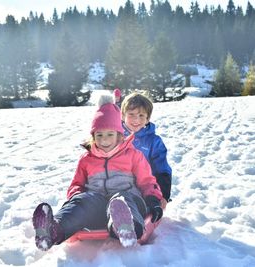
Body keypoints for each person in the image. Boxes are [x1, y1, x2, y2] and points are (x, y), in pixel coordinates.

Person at [32, 95, 163, 251]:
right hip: (97, 204)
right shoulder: (86, 159)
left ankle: (125, 227)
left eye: (110, 134)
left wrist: (154, 200)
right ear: (93, 137)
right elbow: (77, 184)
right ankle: (53, 230)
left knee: (122, 199)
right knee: (84, 201)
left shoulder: (133, 155)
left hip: (129, 200)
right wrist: (78, 199)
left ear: (120, 136)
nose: (105, 140)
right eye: (99, 135)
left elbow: (147, 181)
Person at [121, 92, 172, 209]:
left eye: (141, 115)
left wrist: (163, 195)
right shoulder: (114, 136)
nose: (136, 119)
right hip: (117, 182)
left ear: (148, 118)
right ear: (123, 116)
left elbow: (162, 169)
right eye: (131, 114)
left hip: (144, 187)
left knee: (137, 201)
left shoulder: (154, 142)